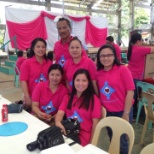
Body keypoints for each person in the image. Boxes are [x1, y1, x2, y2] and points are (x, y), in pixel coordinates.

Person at [96, 44, 135, 154]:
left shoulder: (123, 70)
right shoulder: (97, 73)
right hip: (108, 112)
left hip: (122, 111)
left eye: (109, 55)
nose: (106, 58)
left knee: (122, 141)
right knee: (112, 138)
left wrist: (126, 113)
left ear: (114, 56)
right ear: (99, 58)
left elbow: (130, 91)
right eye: (102, 56)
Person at [55, 69, 101, 146]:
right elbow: (60, 113)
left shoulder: (94, 99)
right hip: (68, 131)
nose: (80, 83)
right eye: (77, 80)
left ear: (88, 82)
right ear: (73, 81)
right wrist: (58, 122)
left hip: (83, 135)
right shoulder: (68, 97)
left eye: (84, 80)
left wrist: (91, 144)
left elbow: (95, 125)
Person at [20, 38, 52, 108]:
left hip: (46, 98)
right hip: (32, 98)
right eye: (38, 47)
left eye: (43, 47)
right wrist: (27, 97)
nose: (41, 49)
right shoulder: (27, 63)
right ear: (33, 49)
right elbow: (23, 81)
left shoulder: (49, 63)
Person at [127, 33, 154, 117]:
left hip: (130, 74)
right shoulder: (139, 49)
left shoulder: (131, 49)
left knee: (132, 95)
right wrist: (146, 45)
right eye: (141, 40)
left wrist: (144, 44)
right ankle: (134, 113)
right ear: (138, 41)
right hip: (136, 76)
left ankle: (134, 112)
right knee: (134, 97)